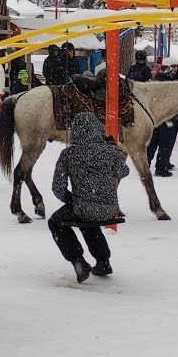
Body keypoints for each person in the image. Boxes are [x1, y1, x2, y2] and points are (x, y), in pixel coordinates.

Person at [47, 112, 128, 283]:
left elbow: (57, 188)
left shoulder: (68, 154)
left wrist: (72, 200)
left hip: (82, 208)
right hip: (109, 209)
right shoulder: (109, 151)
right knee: (89, 223)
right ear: (98, 129)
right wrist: (113, 149)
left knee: (56, 222)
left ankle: (78, 261)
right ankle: (103, 261)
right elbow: (123, 171)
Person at [145, 63, 178, 177]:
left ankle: (146, 165)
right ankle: (161, 167)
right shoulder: (170, 94)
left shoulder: (152, 91)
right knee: (165, 145)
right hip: (168, 121)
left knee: (152, 144)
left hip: (155, 121)